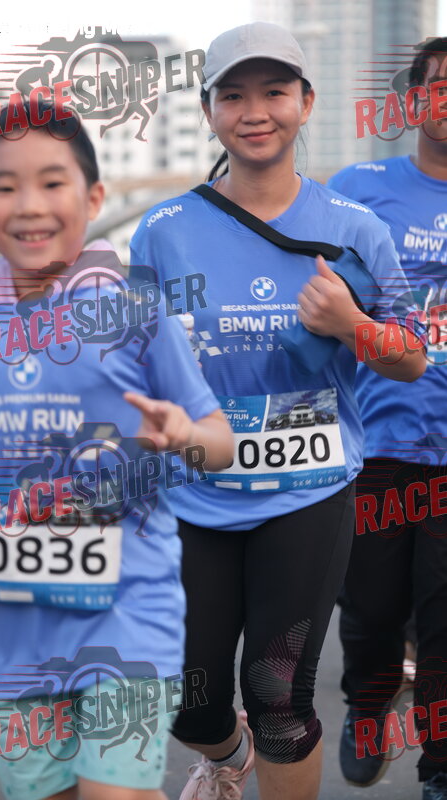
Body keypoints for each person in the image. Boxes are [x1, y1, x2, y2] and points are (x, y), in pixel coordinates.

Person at [129, 21, 427, 800]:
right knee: (187, 698)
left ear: (305, 102)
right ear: (208, 110)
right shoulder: (162, 232)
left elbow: (411, 356)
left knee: (278, 696)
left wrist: (352, 326)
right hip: (193, 491)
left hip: (308, 491)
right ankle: (225, 759)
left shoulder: (354, 228)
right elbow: (133, 361)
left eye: (273, 91)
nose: (254, 111)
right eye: (232, 95)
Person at [0, 101, 234, 800]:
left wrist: (185, 435)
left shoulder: (136, 315)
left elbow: (222, 444)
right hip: (15, 649)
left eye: (52, 182)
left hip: (131, 621)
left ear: (92, 198)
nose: (30, 204)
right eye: (6, 186)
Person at [328, 37, 447, 800]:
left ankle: (439, 770)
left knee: (443, 624)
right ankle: (366, 702)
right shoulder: (358, 188)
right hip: (375, 439)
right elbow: (313, 290)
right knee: (369, 611)